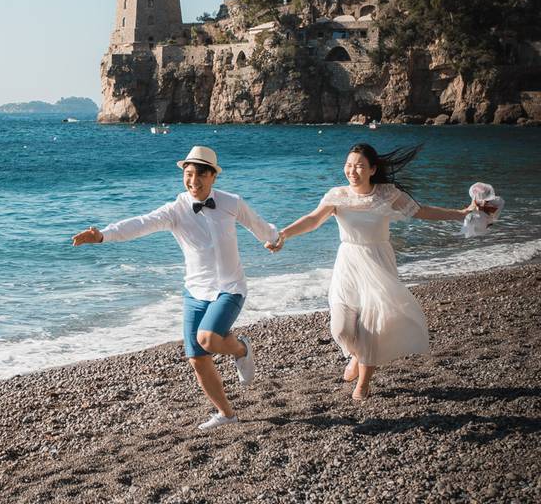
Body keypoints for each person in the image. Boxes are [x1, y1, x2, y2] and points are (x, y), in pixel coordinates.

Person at [72, 146, 279, 430]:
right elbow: (141, 223)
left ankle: (241, 349)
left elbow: (257, 224)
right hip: (195, 292)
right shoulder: (176, 210)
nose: (193, 181)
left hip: (230, 287)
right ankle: (227, 415)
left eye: (200, 175)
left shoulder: (232, 202)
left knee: (207, 338)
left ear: (213, 177)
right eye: (188, 174)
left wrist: (272, 238)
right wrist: (103, 235)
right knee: (197, 358)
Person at [266, 143, 491, 400]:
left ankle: (363, 382)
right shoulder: (336, 195)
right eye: (349, 165)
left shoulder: (387, 194)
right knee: (340, 329)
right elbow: (313, 220)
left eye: (360, 166)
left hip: (378, 260)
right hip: (348, 262)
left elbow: (421, 211)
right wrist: (283, 234)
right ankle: (355, 354)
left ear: (372, 169)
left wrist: (460, 213)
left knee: (371, 324)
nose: (353, 171)